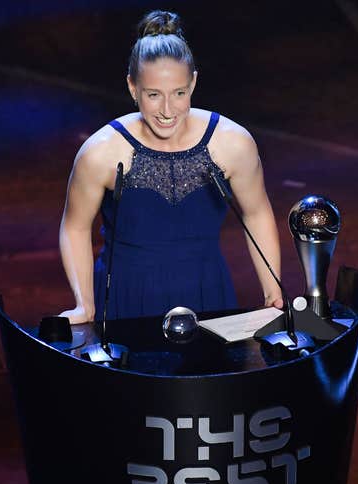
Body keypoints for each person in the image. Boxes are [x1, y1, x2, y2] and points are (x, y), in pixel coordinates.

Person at [59, 10, 282, 323]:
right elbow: (75, 227)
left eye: (179, 93)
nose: (167, 110)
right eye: (153, 95)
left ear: (193, 83)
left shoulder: (232, 143)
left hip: (208, 295)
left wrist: (273, 292)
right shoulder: (101, 153)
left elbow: (256, 212)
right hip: (126, 298)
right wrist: (85, 305)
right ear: (132, 87)